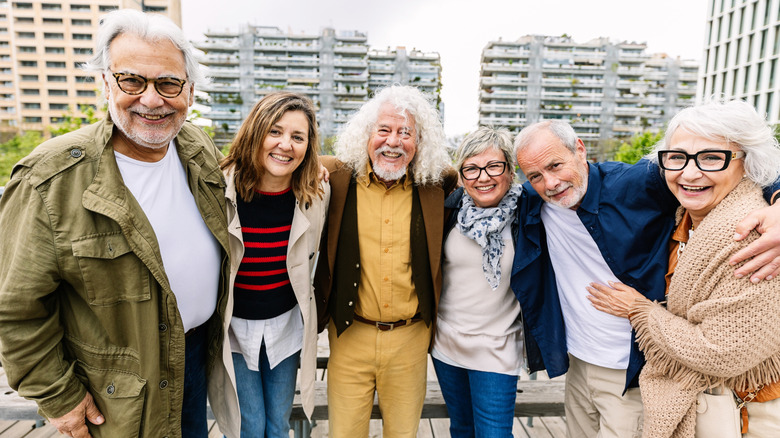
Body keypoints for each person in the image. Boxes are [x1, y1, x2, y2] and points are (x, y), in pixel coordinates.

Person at [0, 10, 240, 438]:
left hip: (197, 356)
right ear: (106, 82)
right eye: (132, 81)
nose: (152, 100)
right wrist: (59, 397)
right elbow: (14, 309)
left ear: (189, 90)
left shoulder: (196, 146)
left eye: (168, 83)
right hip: (115, 393)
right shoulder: (49, 180)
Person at [511, 119, 780, 438]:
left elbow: (746, 167)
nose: (551, 183)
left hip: (636, 368)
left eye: (556, 165)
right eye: (536, 176)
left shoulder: (637, 181)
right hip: (579, 363)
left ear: (580, 150)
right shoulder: (531, 200)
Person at [587, 99, 780, 438]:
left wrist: (639, 311)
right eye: (676, 157)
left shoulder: (754, 236)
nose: (690, 173)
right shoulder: (687, 217)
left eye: (711, 158)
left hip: (747, 415)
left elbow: (722, 351)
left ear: (748, 162)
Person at [313, 85, 457, 438]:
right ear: (366, 135)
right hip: (349, 333)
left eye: (406, 133)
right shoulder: (336, 176)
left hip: (410, 339)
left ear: (419, 143)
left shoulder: (437, 184)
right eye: (384, 130)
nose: (393, 141)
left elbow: (469, 175)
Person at [218, 92, 329, 437]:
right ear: (256, 133)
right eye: (275, 132)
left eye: (298, 137)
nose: (285, 145)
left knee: (278, 425)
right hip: (235, 328)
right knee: (248, 425)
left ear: (309, 147)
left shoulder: (314, 193)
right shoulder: (222, 186)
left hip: (285, 325)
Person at [432, 126, 524, 438]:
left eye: (493, 166)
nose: (483, 177)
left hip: (498, 347)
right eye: (471, 168)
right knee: (462, 430)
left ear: (510, 171)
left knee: (494, 434)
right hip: (447, 344)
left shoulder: (530, 216)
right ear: (461, 175)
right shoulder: (449, 210)